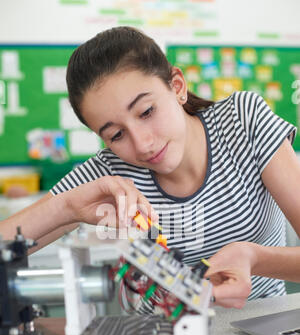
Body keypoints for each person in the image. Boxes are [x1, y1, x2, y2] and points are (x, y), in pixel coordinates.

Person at [1, 26, 300, 309]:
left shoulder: (242, 120)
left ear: (177, 87)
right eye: (116, 135)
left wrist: (255, 258)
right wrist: (65, 207)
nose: (142, 144)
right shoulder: (110, 174)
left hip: (259, 334)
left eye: (146, 111)